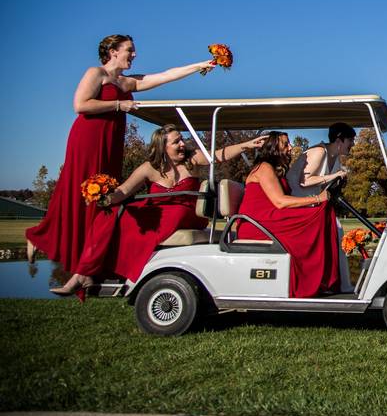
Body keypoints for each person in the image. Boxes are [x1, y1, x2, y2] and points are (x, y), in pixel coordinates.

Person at [26, 34, 215, 272]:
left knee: (104, 198)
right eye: (129, 50)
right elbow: (80, 105)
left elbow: (166, 75)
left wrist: (200, 65)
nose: (134, 55)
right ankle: (40, 236)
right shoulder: (96, 73)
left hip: (112, 140)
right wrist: (118, 105)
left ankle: (89, 260)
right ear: (113, 51)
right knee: (78, 190)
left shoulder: (127, 82)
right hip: (89, 137)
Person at [50, 126, 266, 297]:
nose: (182, 144)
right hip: (156, 213)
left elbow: (219, 155)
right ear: (162, 147)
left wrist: (247, 144)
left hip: (185, 212)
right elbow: (124, 190)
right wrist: (104, 197)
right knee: (108, 216)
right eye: (176, 142)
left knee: (173, 214)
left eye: (181, 140)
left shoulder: (192, 160)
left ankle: (127, 271)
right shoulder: (149, 168)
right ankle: (83, 274)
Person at [236, 131, 341, 297]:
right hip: (258, 224)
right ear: (273, 148)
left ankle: (321, 278)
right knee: (319, 213)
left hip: (269, 218)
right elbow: (280, 201)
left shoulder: (274, 169)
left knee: (323, 210)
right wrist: (316, 199)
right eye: (286, 144)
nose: (291, 148)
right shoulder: (264, 168)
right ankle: (314, 280)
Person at [286, 122, 356, 291]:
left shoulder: (336, 158)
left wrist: (338, 180)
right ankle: (326, 283)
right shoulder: (319, 151)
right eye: (350, 140)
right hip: (299, 204)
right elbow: (304, 181)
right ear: (339, 140)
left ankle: (338, 284)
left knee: (337, 229)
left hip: (315, 203)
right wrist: (334, 175)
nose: (352, 145)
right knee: (334, 229)